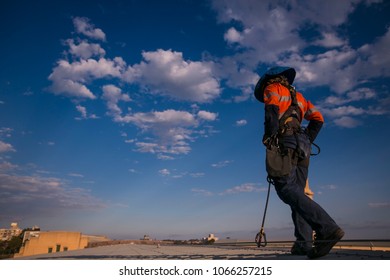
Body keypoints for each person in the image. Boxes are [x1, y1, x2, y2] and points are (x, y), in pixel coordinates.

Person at [254, 66, 344, 259]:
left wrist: (269, 138)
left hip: (285, 144)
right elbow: (318, 119)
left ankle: (327, 229)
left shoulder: (273, 89)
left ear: (269, 80)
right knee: (298, 193)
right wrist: (308, 140)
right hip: (303, 147)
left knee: (286, 189)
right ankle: (304, 243)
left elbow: (271, 113)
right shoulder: (301, 98)